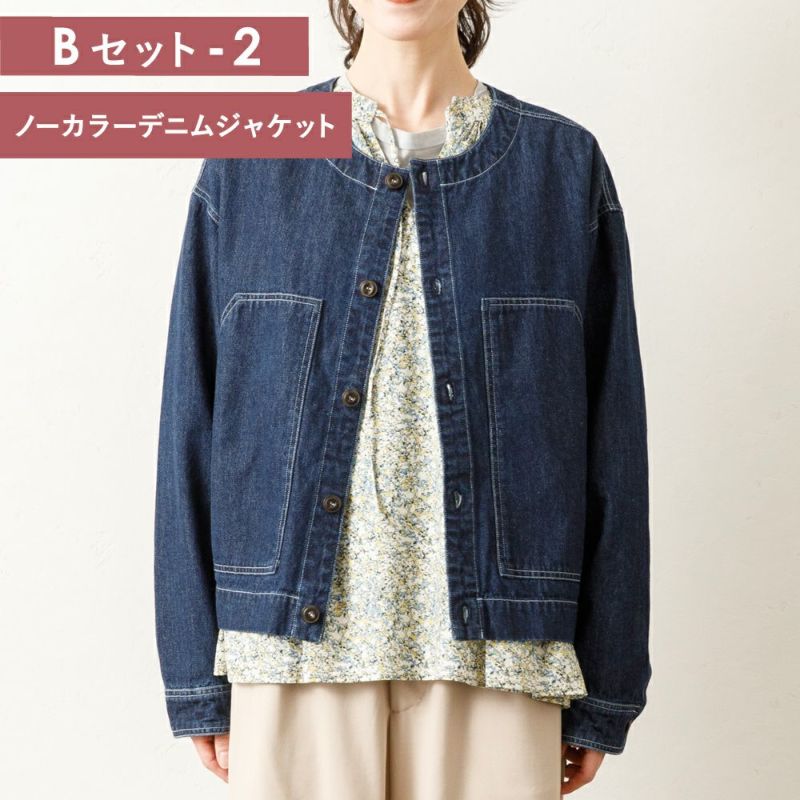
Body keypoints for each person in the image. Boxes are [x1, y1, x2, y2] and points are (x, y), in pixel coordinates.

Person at [153, 1, 652, 797]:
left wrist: (608, 684)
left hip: (500, 657)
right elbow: (194, 421)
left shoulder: (560, 169)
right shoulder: (250, 162)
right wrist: (194, 677)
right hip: (291, 657)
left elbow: (612, 441)